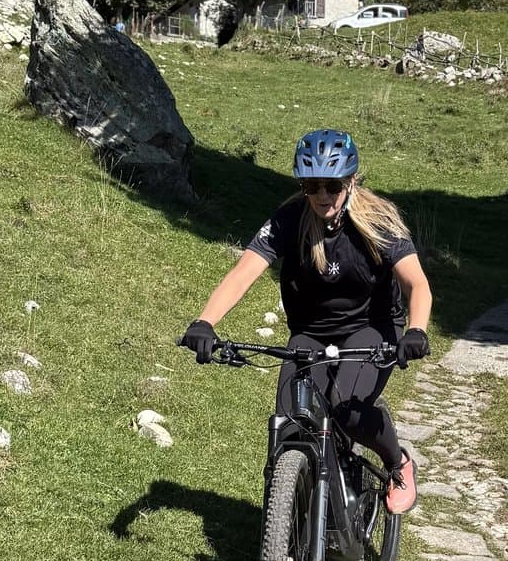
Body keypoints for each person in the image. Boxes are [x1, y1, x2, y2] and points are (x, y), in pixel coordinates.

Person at [180, 129, 432, 513]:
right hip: (310, 332)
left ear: (350, 181)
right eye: (311, 186)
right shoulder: (290, 219)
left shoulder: (379, 221)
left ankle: (398, 463)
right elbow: (242, 273)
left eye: (331, 186)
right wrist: (205, 322)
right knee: (291, 424)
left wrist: (416, 331)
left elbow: (417, 284)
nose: (322, 197)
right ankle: (291, 529)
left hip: (371, 327)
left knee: (346, 406)